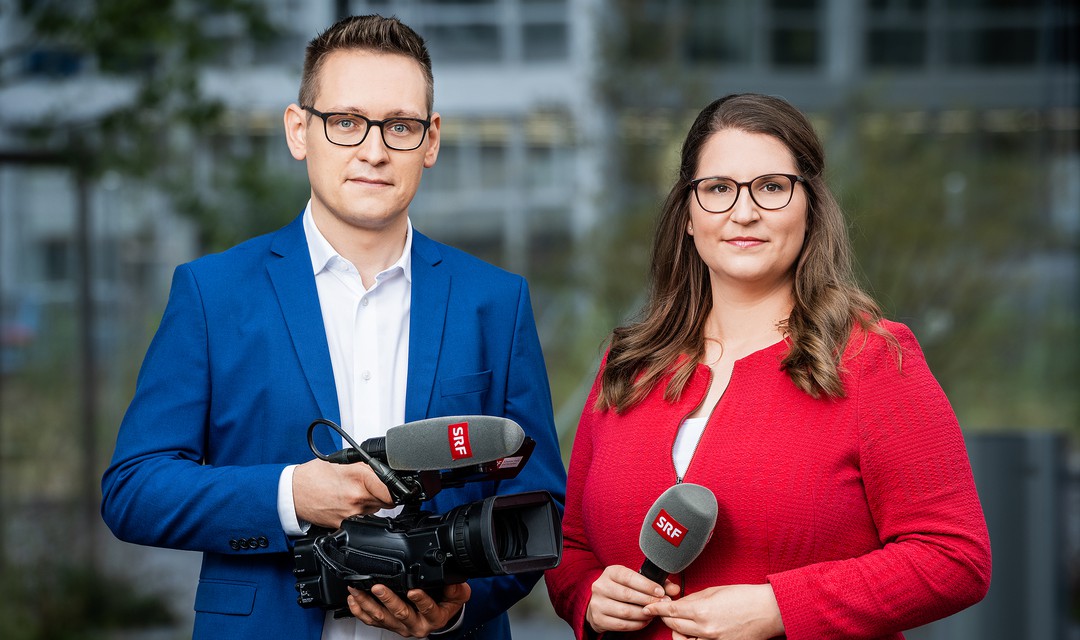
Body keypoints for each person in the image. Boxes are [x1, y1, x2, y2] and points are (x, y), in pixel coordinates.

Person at [101, 14, 566, 640]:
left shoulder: (495, 300)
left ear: (430, 141)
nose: (373, 151)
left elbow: (540, 505)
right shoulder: (213, 293)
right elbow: (135, 489)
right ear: (300, 131)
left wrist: (458, 605)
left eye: (399, 126)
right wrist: (292, 496)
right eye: (346, 122)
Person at [545, 93, 991, 639]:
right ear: (687, 215)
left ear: (811, 208)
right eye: (717, 189)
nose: (744, 211)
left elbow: (953, 558)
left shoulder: (871, 359)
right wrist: (591, 596)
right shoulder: (629, 364)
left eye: (772, 187)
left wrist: (782, 608)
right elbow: (572, 548)